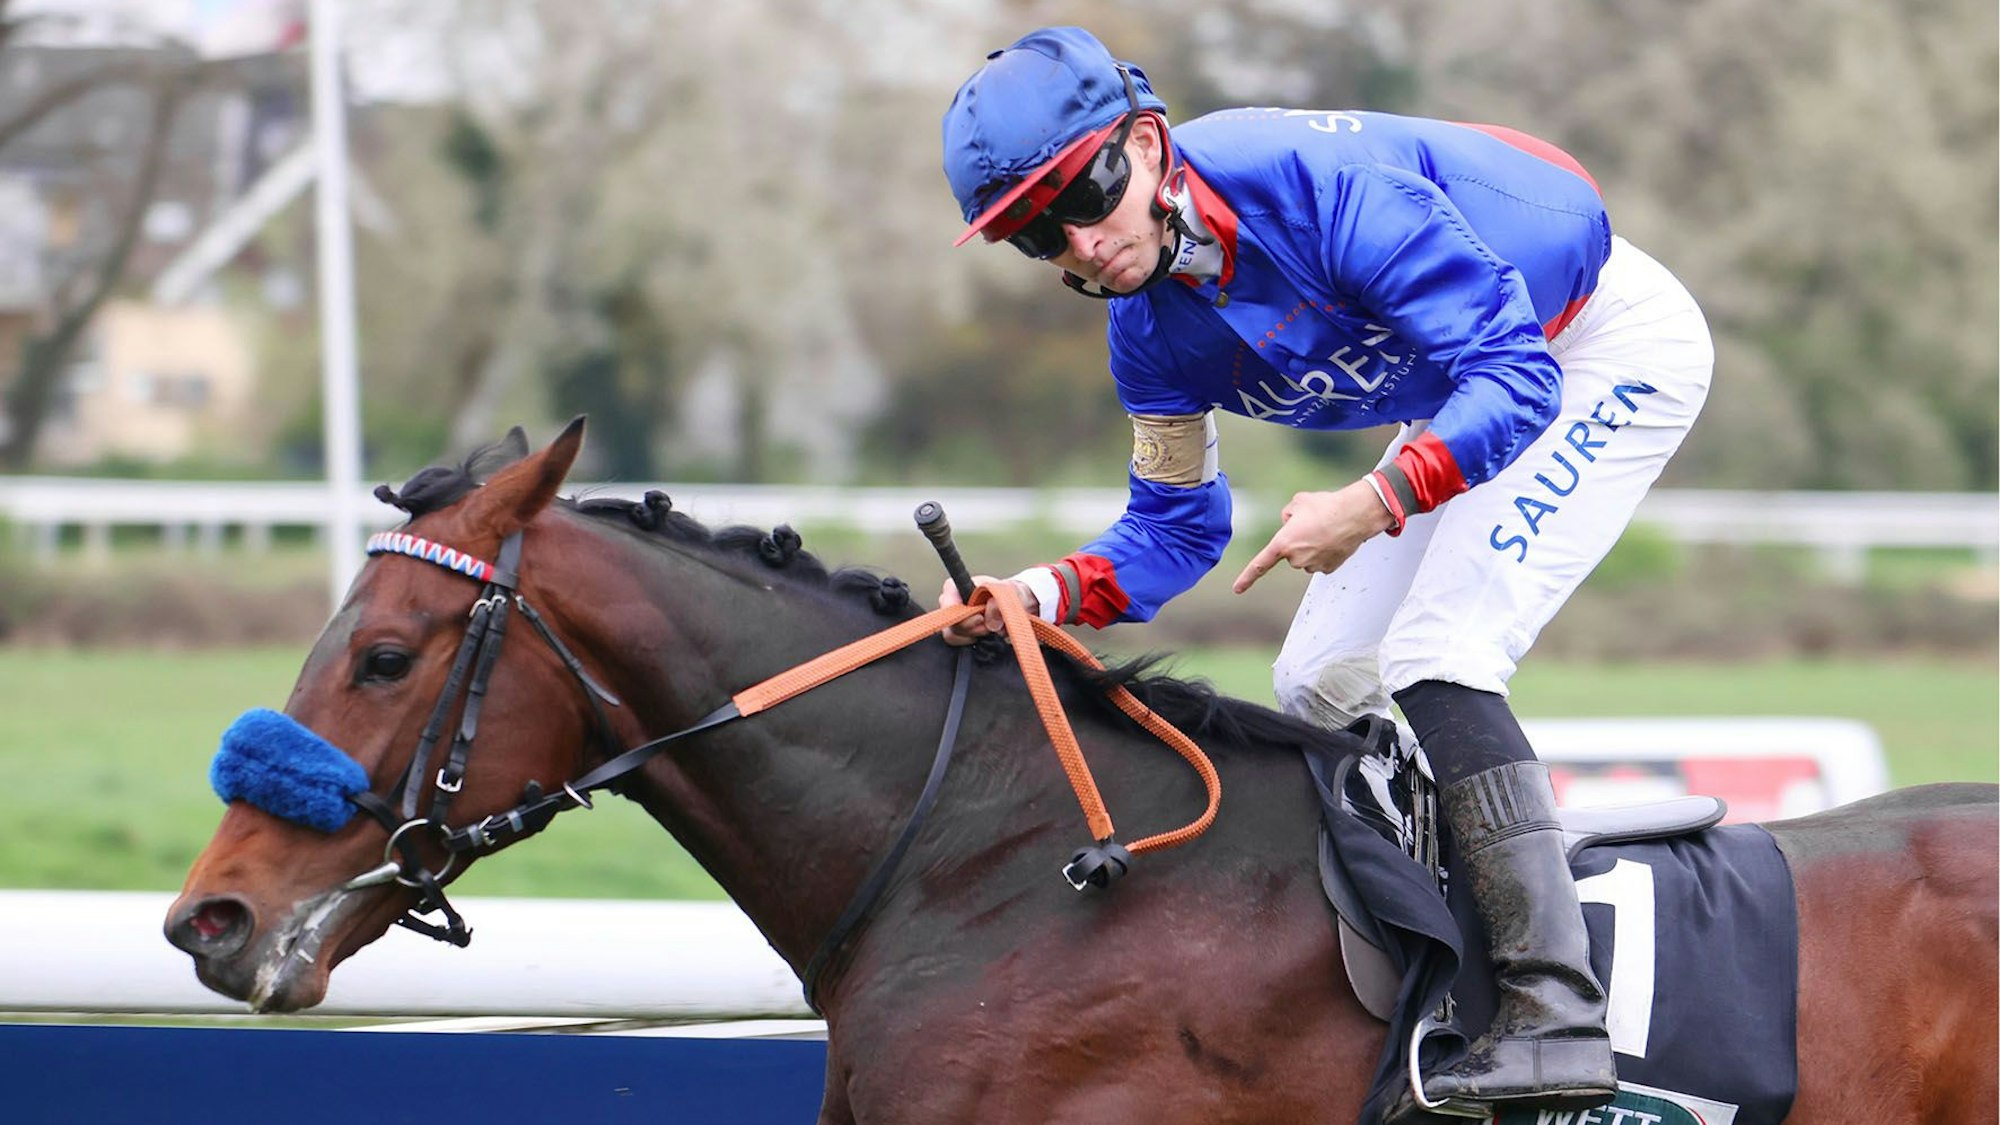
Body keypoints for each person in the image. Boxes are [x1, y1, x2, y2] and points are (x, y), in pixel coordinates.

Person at [935, 25, 1714, 1120]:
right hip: (1472, 384)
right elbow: (1175, 528)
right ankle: (1432, 971)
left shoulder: (1322, 188)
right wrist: (1037, 595)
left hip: (1590, 347)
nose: (1079, 243)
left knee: (1440, 652)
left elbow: (1515, 376)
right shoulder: (1147, 335)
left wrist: (1376, 500)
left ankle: (1555, 1014)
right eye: (1032, 233)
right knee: (1316, 680)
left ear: (1147, 144)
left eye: (1083, 194)